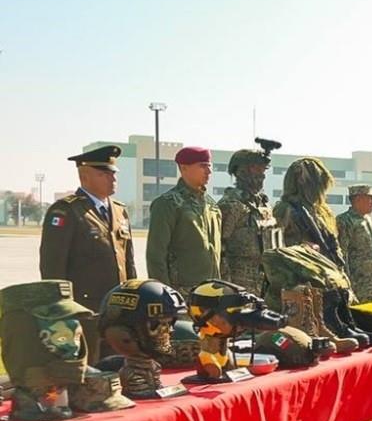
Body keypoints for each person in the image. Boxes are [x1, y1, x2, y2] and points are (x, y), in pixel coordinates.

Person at [39, 145, 137, 361]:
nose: (112, 178)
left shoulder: (120, 211)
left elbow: (128, 262)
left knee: (118, 367)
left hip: (118, 310)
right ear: (84, 176)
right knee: (88, 369)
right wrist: (62, 312)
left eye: (113, 173)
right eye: (104, 173)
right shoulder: (66, 211)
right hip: (84, 310)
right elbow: (52, 266)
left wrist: (133, 299)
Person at [146, 146, 222, 294]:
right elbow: (156, 256)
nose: (209, 171)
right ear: (184, 168)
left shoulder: (212, 206)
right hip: (182, 292)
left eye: (209, 166)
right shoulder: (168, 204)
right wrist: (163, 294)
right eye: (202, 166)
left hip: (212, 290)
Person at [217, 148, 278, 296]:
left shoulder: (264, 205)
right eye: (255, 168)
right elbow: (219, 251)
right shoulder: (231, 205)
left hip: (265, 283)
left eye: (263, 169)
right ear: (240, 171)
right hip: (238, 285)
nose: (262, 175)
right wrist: (227, 289)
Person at [273, 157, 345, 269]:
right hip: (297, 275)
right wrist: (302, 247)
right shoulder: (285, 210)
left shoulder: (322, 211)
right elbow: (273, 247)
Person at [336, 184, 372, 303]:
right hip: (357, 289)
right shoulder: (345, 221)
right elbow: (341, 255)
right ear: (357, 199)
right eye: (370, 198)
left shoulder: (370, 220)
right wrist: (346, 285)